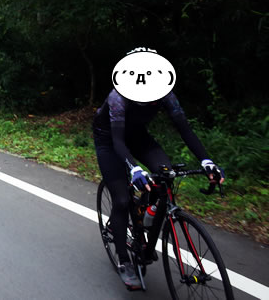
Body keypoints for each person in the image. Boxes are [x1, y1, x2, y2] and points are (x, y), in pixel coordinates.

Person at [93, 87, 224, 290]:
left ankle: (145, 213)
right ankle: (124, 260)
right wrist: (134, 168)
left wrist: (207, 161)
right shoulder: (118, 97)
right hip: (109, 140)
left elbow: (185, 129)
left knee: (165, 174)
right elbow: (118, 141)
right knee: (121, 200)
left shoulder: (165, 92)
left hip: (138, 136)